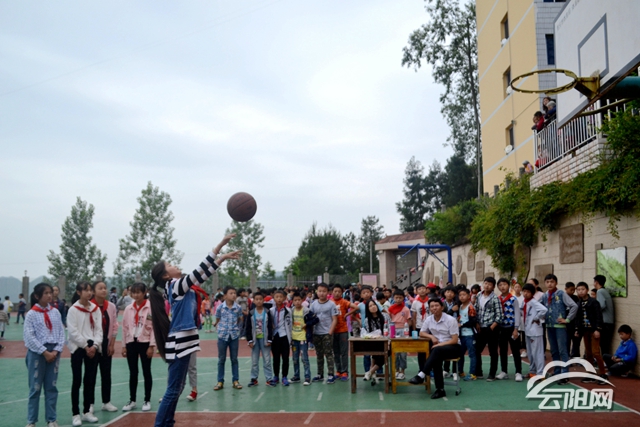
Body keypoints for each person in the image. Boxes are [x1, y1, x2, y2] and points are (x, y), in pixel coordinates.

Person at [149, 234, 239, 427]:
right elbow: (198, 272)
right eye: (170, 265)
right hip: (180, 343)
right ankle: (160, 424)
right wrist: (219, 246)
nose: (175, 265)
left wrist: (222, 259)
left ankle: (167, 422)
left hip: (183, 343)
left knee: (178, 387)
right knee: (173, 389)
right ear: (165, 275)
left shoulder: (179, 287)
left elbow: (203, 275)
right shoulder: (175, 285)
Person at [24, 283, 65, 427]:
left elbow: (61, 333)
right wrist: (44, 352)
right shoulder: (31, 314)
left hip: (54, 352)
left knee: (51, 387)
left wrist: (55, 351)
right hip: (37, 353)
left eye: (50, 292)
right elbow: (29, 337)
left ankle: (51, 419)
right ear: (37, 296)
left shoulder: (55, 312)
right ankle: (31, 421)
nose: (49, 295)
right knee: (35, 388)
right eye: (46, 293)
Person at [408, 299, 461, 399]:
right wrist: (432, 337)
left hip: (453, 347)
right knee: (436, 356)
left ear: (442, 307)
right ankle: (440, 390)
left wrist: (440, 345)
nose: (434, 308)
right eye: (432, 306)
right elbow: (421, 333)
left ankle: (422, 374)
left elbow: (454, 340)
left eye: (436, 305)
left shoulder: (450, 320)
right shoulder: (429, 319)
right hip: (438, 349)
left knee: (436, 351)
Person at [67, 282, 103, 426]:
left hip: (93, 347)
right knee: (76, 380)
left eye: (90, 290)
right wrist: (85, 345)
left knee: (90, 380)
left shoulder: (95, 309)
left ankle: (87, 411)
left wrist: (95, 345)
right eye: (85, 290)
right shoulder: (73, 310)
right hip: (78, 348)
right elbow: (72, 331)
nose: (89, 293)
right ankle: (75, 413)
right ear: (78, 292)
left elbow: (99, 330)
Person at [121, 282, 155, 411]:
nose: (136, 295)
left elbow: (154, 328)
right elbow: (124, 328)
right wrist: (124, 345)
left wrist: (151, 345)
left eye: (138, 292)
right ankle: (132, 400)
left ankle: (147, 400)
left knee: (146, 371)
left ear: (145, 292)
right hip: (131, 342)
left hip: (145, 342)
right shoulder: (128, 309)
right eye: (133, 292)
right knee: (133, 372)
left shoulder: (150, 307)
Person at [541, 274, 578, 383]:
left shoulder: (561, 293)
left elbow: (574, 306)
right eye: (547, 282)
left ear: (556, 283)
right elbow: (538, 307)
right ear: (545, 283)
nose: (549, 284)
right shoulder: (544, 295)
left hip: (560, 326)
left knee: (562, 350)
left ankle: (565, 374)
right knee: (554, 351)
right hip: (549, 326)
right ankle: (557, 371)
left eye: (552, 282)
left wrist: (567, 319)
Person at [91, 281, 119, 413]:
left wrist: (112, 344)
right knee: (91, 375)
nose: (103, 290)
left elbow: (114, 325)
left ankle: (106, 402)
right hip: (92, 345)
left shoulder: (111, 306)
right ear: (93, 291)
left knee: (106, 374)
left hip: (106, 343)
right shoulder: (89, 306)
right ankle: (89, 404)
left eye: (104, 288)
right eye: (100, 288)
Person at [574, 282, 607, 384]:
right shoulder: (579, 303)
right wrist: (577, 330)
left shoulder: (594, 302)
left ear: (587, 290)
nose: (581, 291)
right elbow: (578, 318)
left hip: (594, 330)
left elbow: (599, 316)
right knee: (588, 354)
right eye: (578, 290)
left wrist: (598, 329)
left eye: (583, 289)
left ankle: (603, 374)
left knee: (595, 353)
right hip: (585, 331)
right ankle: (590, 374)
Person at [213, 286, 244, 390]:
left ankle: (235, 380)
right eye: (231, 293)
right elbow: (218, 319)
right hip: (222, 336)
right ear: (225, 295)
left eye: (235, 293)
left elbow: (240, 319)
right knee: (221, 359)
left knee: (234, 359)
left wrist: (235, 329)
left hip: (234, 336)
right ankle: (220, 381)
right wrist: (219, 327)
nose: (234, 295)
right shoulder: (220, 308)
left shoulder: (238, 308)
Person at [474, 277, 503, 381]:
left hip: (491, 328)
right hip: (480, 327)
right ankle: (479, 372)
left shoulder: (495, 298)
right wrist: (476, 322)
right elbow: (476, 309)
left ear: (493, 287)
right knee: (477, 350)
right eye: (485, 283)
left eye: (490, 284)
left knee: (493, 351)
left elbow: (500, 315)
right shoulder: (478, 295)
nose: (487, 286)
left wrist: (492, 326)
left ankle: (492, 374)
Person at [310, 283, 339, 384]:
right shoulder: (313, 304)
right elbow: (310, 318)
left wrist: (330, 332)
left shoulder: (331, 304)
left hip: (327, 333)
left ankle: (331, 374)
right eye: (320, 291)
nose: (321, 293)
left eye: (324, 291)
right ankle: (320, 374)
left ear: (328, 292)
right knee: (319, 354)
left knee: (329, 354)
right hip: (316, 333)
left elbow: (335, 319)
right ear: (316, 292)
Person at [496, 278, 523, 382]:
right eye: (500, 285)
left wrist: (516, 328)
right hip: (501, 329)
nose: (502, 287)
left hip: (512, 328)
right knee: (502, 350)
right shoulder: (497, 299)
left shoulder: (513, 299)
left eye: (504, 284)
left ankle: (518, 372)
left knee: (515, 351)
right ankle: (504, 371)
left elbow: (517, 314)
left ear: (509, 286)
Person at [246, 291, 274, 387]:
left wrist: (270, 339)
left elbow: (270, 326)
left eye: (260, 299)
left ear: (263, 300)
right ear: (253, 301)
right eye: (256, 299)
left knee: (267, 360)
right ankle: (254, 379)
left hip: (265, 340)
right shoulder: (251, 313)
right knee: (254, 360)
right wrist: (249, 340)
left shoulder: (267, 312)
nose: (258, 301)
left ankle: (269, 379)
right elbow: (248, 327)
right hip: (255, 340)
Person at [331, 284, 358, 381]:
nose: (337, 293)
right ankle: (338, 371)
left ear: (342, 293)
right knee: (336, 352)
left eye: (339, 291)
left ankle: (345, 372)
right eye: (335, 291)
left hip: (343, 330)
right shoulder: (330, 302)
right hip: (333, 330)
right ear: (332, 292)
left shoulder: (344, 302)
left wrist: (347, 314)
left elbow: (356, 307)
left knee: (344, 352)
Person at [361, 300, 391, 386]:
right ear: (368, 309)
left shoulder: (385, 316)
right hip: (374, 343)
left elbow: (389, 330)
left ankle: (370, 371)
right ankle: (372, 372)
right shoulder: (367, 320)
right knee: (375, 351)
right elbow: (369, 334)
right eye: (370, 306)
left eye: (374, 305)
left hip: (386, 342)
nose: (373, 307)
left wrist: (388, 342)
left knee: (388, 351)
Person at [520, 284, 548, 377]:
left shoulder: (534, 302)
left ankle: (540, 373)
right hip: (527, 330)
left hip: (535, 331)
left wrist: (536, 317)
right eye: (524, 291)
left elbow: (544, 310)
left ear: (532, 293)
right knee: (530, 353)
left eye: (528, 292)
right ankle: (532, 371)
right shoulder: (524, 302)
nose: (525, 293)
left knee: (537, 352)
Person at [269, 289, 292, 386]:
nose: (279, 299)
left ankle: (284, 376)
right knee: (276, 358)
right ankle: (276, 376)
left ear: (284, 298)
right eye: (277, 297)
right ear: (274, 298)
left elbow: (290, 324)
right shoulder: (271, 311)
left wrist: (290, 337)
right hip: (275, 336)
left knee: (285, 357)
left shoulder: (288, 310)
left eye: (281, 297)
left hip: (284, 336)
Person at [389, 289, 412, 380]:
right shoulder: (390, 309)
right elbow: (389, 320)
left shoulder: (406, 309)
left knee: (403, 353)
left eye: (400, 298)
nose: (398, 299)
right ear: (393, 298)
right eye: (396, 298)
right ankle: (396, 370)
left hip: (403, 330)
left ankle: (402, 371)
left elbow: (409, 321)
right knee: (395, 353)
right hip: (393, 330)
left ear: (403, 298)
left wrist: (407, 331)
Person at [290, 291, 311, 385]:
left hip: (303, 338)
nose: (297, 302)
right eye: (295, 300)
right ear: (293, 301)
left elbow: (314, 319)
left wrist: (307, 324)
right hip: (294, 338)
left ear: (302, 300)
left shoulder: (306, 310)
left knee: (304, 358)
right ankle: (296, 376)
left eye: (299, 300)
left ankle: (307, 377)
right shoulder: (291, 311)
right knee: (295, 359)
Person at [456, 288, 477, 381]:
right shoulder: (460, 307)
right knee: (460, 354)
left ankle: (472, 374)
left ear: (469, 296)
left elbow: (473, 321)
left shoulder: (470, 307)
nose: (462, 297)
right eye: (460, 295)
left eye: (464, 295)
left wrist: (462, 325)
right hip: (461, 335)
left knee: (472, 354)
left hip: (469, 334)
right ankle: (460, 371)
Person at [594, 275, 615, 355]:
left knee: (603, 344)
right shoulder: (604, 291)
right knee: (605, 344)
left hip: (605, 322)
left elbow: (601, 305)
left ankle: (605, 360)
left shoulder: (600, 291)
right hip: (609, 322)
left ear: (596, 282)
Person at [411, 284, 430, 369]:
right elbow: (414, 317)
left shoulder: (430, 301)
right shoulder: (415, 302)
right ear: (416, 291)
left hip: (430, 328)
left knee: (430, 349)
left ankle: (429, 368)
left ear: (426, 290)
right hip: (420, 327)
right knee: (421, 350)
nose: (422, 290)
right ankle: (421, 369)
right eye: (419, 289)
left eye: (423, 288)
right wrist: (414, 329)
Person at [564, 282, 581, 358]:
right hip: (566, 323)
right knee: (567, 341)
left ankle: (575, 356)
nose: (573, 291)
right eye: (571, 290)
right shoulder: (563, 298)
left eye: (574, 290)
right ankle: (567, 357)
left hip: (575, 323)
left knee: (576, 342)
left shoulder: (576, 298)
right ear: (566, 289)